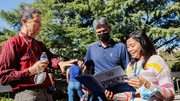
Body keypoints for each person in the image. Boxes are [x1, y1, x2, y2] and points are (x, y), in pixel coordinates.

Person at [0, 6, 77, 101]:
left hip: (47, 94)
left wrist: (60, 63)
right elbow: (4, 78)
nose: (41, 25)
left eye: (41, 21)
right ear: (25, 22)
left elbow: (51, 59)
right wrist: (31, 70)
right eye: (37, 21)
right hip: (27, 95)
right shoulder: (11, 44)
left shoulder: (39, 43)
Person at [105, 30, 175, 101]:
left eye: (132, 46)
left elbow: (170, 95)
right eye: (128, 47)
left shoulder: (156, 61)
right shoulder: (130, 66)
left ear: (143, 44)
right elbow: (130, 94)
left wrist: (147, 85)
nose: (129, 50)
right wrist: (115, 96)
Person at [83, 17, 131, 101]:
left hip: (117, 92)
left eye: (104, 31)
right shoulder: (91, 48)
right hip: (98, 92)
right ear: (96, 33)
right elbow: (87, 69)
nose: (102, 33)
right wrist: (86, 84)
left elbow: (129, 68)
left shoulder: (121, 47)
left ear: (109, 29)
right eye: (99, 32)